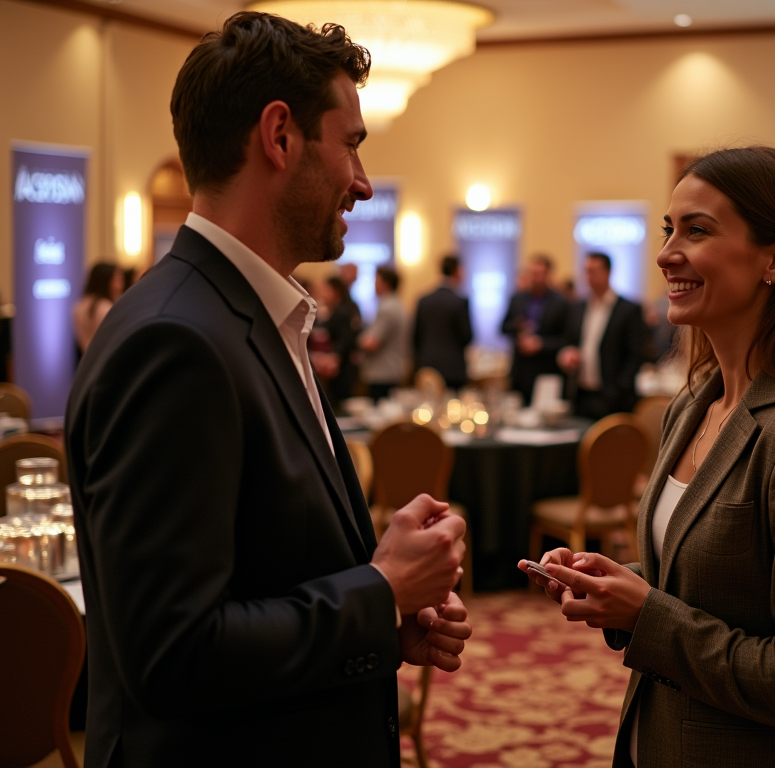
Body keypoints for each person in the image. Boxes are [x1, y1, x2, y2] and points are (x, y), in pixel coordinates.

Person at [65, 14, 470, 767]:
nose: (363, 181)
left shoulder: (249, 314)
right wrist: (379, 592)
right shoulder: (175, 341)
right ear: (279, 136)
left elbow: (266, 576)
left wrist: (382, 620)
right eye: (350, 144)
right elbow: (174, 654)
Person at [521, 146, 775, 768]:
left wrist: (646, 614)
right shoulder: (694, 403)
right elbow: (708, 585)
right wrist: (618, 582)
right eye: (670, 229)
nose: (666, 253)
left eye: (698, 230)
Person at [556, 252, 646, 419]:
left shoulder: (628, 310)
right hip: (581, 395)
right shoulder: (578, 307)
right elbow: (569, 342)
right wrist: (567, 354)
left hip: (613, 398)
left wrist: (618, 389)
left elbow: (636, 354)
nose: (589, 276)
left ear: (607, 272)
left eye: (594, 271)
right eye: (587, 271)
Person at [501, 254, 570, 404]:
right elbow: (503, 327)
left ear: (548, 275)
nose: (535, 278)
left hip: (546, 370)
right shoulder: (518, 299)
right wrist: (517, 327)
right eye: (533, 273)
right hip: (520, 370)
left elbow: (567, 339)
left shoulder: (561, 303)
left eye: (540, 273)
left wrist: (541, 344)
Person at [411, 254, 472, 389]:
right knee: (454, 409)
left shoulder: (423, 300)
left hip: (427, 366)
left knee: (427, 408)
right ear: (457, 271)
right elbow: (467, 336)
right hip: (453, 367)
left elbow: (415, 337)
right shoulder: (459, 302)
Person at [310, 275, 361, 407]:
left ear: (336, 291)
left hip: (341, 367)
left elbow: (346, 340)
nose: (323, 294)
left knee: (340, 403)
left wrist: (333, 356)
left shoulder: (343, 311)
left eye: (326, 290)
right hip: (329, 364)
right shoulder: (328, 312)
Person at [359, 265, 407, 402]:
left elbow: (371, 343)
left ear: (384, 284)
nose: (374, 284)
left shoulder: (387, 308)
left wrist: (358, 340)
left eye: (376, 280)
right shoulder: (397, 304)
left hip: (382, 372)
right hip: (393, 369)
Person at [72, 262, 124, 353]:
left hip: (85, 360)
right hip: (103, 359)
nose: (121, 285)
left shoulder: (79, 305)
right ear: (106, 280)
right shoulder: (107, 308)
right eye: (117, 279)